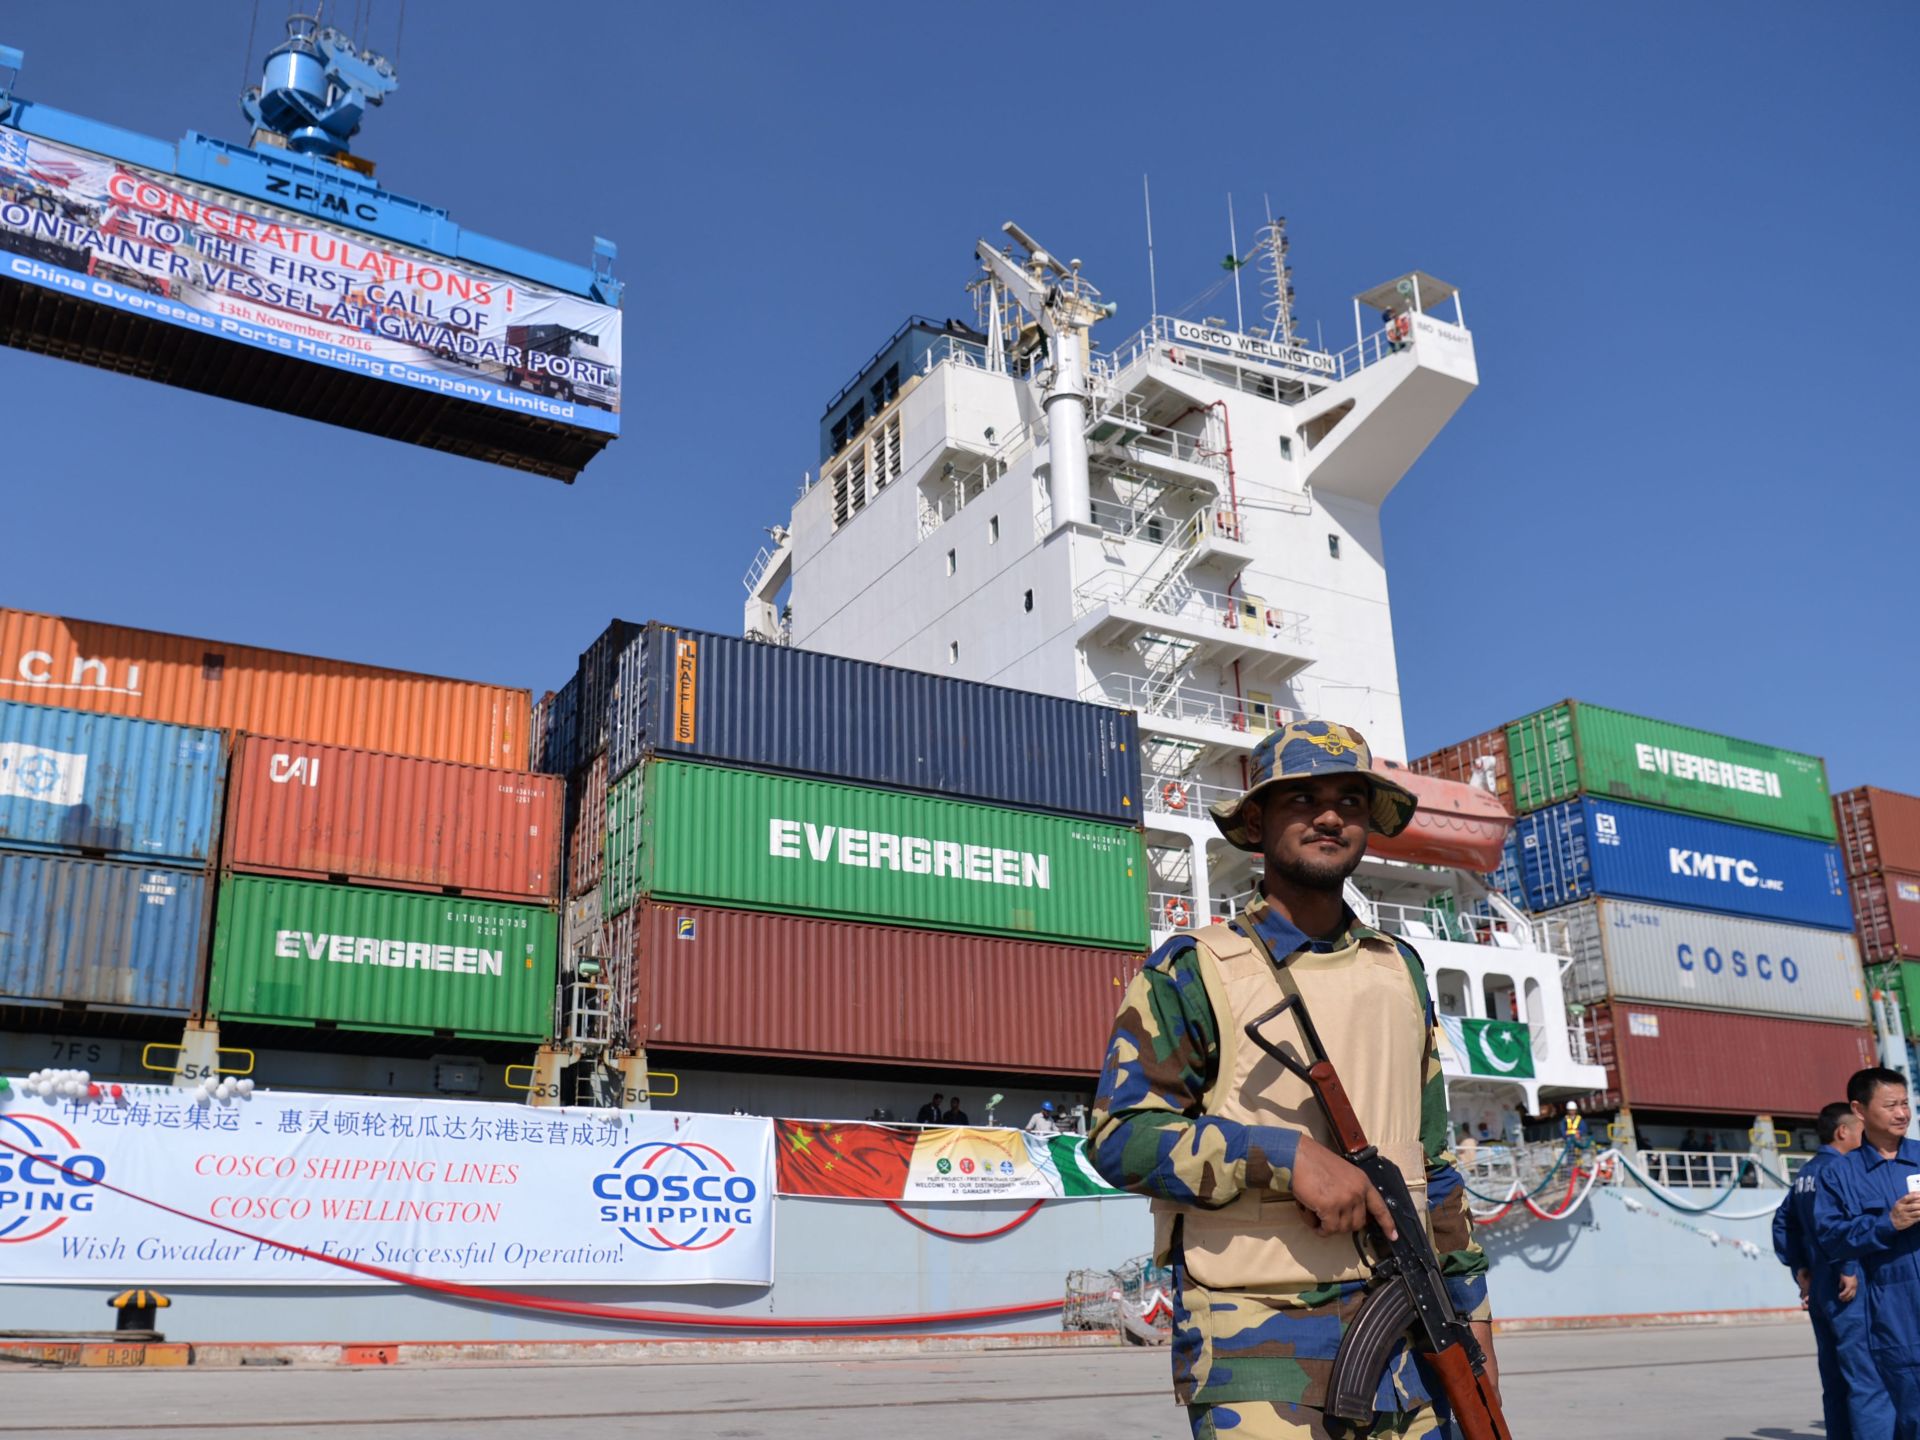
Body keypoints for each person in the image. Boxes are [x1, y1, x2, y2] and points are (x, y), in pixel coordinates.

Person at [1089, 720, 1493, 1439]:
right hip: (1259, 1350)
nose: (1330, 816)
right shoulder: (1194, 968)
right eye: (1303, 798)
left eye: (1350, 801)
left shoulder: (1400, 969)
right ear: (1257, 823)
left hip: (1414, 1344)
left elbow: (1432, 1162)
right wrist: (1284, 1157)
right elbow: (1120, 1137)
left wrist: (1476, 1327)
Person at [1816, 1067, 1919, 1440]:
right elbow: (1831, 1238)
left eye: (1905, 1103)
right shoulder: (1839, 1174)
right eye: (1890, 1105)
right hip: (1887, 1312)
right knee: (1891, 1410)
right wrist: (1887, 1223)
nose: (1902, 1113)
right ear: (1859, 1110)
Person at [1777, 1099, 1883, 1440]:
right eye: (1861, 1129)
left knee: (1835, 1378)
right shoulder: (1840, 1170)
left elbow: (1783, 1223)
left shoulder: (1806, 1174)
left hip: (1821, 1287)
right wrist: (1847, 1265)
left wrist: (1800, 1267)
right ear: (1843, 1132)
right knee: (1867, 1378)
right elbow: (1840, 1226)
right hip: (1847, 1286)